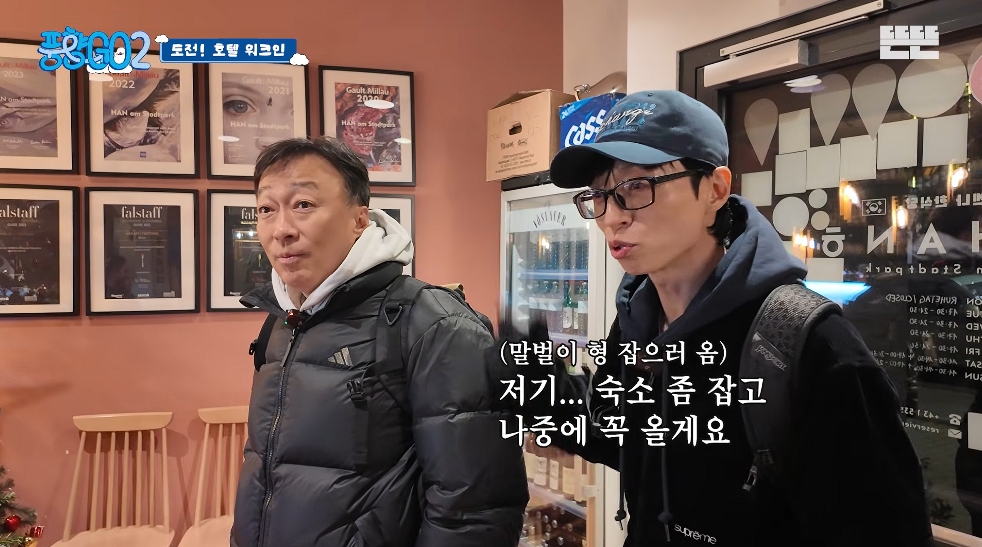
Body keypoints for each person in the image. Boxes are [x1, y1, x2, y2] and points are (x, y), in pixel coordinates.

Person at [493, 90, 933, 546]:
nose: (611, 218)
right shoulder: (636, 322)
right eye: (599, 195)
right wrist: (543, 388)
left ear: (715, 190)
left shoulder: (807, 346)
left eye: (636, 187)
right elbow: (627, 441)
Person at [230, 136, 528, 547]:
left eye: (304, 204)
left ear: (360, 220)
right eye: (266, 209)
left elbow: (475, 510)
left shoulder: (434, 323)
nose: (281, 230)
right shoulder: (283, 321)